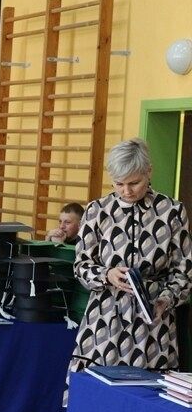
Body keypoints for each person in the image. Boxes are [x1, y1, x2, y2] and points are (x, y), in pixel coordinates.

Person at [67, 138, 192, 395]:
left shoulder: (172, 211)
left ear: (149, 172)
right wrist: (106, 274)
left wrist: (166, 300)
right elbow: (81, 265)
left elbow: (184, 271)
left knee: (148, 399)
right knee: (96, 395)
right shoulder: (97, 211)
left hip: (154, 321)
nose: (126, 191)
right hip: (105, 319)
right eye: (118, 183)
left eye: (134, 182)